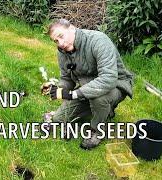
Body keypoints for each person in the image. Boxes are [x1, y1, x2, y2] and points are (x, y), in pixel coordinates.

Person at [42, 19, 134, 150]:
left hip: (116, 84)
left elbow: (108, 78)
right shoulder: (62, 52)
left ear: (72, 29)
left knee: (98, 98)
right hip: (87, 87)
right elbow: (67, 78)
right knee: (58, 118)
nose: (60, 43)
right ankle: (105, 111)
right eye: (56, 41)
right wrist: (58, 89)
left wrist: (73, 94)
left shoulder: (98, 40)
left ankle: (96, 131)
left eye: (61, 36)